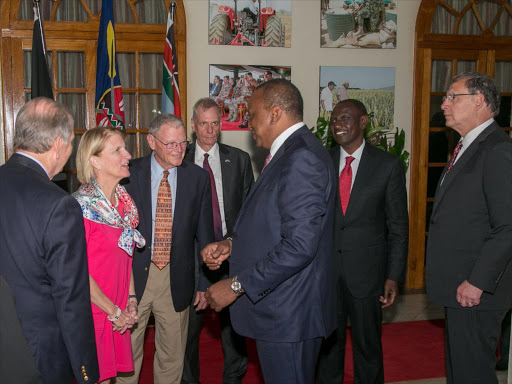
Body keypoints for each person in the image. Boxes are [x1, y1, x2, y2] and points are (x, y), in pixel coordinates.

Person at [202, 79, 337, 383]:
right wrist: (231, 244)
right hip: (281, 310)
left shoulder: (301, 157)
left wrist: (236, 286)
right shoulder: (288, 153)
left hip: (289, 313)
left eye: (252, 114)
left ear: (275, 113)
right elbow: (271, 223)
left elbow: (299, 246)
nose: (249, 123)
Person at [0, 97, 99, 383]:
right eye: (70, 144)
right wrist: (85, 372)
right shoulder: (59, 205)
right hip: (40, 355)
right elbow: (70, 299)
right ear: (58, 144)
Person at [426, 72, 512, 384]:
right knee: (460, 373)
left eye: (452, 97)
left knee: (472, 374)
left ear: (478, 102)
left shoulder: (496, 150)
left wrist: (477, 282)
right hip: (460, 287)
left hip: (477, 291)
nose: (444, 104)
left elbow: (507, 226)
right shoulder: (468, 146)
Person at [315, 99, 409, 384]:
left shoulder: (387, 165)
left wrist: (393, 276)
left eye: (345, 118)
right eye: (334, 120)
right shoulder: (321, 162)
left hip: (367, 275)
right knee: (327, 348)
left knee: (368, 347)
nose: (338, 125)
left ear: (364, 122)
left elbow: (398, 226)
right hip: (328, 273)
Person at [118, 114, 214, 384]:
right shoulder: (127, 173)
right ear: (151, 141)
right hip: (134, 279)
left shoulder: (197, 178)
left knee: (172, 358)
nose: (178, 149)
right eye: (170, 143)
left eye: (182, 143)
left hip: (176, 278)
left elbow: (204, 233)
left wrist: (204, 283)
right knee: (128, 355)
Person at [182, 98, 254, 384]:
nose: (210, 130)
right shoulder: (180, 159)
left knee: (234, 331)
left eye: (215, 123)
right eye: (204, 124)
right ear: (193, 125)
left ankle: (233, 379)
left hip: (231, 255)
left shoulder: (239, 160)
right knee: (187, 335)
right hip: (192, 258)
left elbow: (248, 213)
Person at [73, 127, 146, 383]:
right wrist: (113, 312)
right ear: (95, 160)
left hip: (117, 309)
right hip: (94, 311)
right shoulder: (80, 207)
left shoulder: (124, 204)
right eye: (117, 150)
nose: (128, 154)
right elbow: (77, 273)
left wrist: (132, 299)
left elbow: (125, 259)